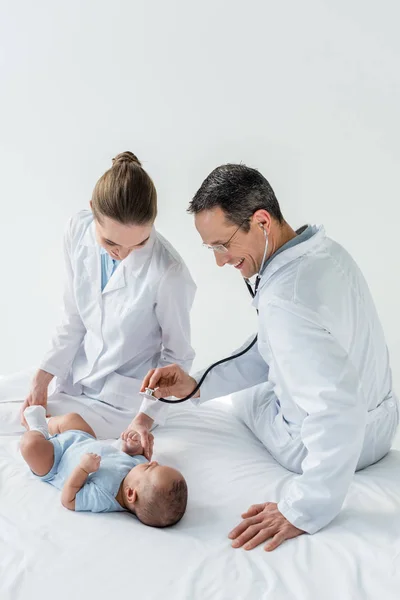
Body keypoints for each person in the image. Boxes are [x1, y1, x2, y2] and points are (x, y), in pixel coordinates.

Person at [133, 163, 398, 550]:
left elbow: (337, 410)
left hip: (325, 445)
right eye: (211, 249)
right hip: (383, 423)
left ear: (261, 221)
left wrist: (302, 509)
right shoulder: (326, 252)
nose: (220, 261)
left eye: (222, 245)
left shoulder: (285, 301)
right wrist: (195, 382)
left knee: (240, 400)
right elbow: (278, 344)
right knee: (254, 379)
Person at [21, 151, 196, 449]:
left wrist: (144, 419)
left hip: (123, 402)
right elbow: (74, 317)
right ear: (92, 211)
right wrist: (42, 377)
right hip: (76, 378)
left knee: (36, 434)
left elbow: (177, 358)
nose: (124, 254)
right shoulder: (77, 230)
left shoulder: (169, 272)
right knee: (17, 415)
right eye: (111, 243)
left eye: (139, 243)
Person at [20, 405, 187, 526]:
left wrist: (83, 469)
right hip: (82, 439)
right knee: (73, 418)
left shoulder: (104, 497)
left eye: (151, 468)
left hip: (55, 461)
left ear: (130, 493)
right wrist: (131, 447)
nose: (154, 462)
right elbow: (137, 456)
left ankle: (36, 427)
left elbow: (68, 499)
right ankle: (48, 420)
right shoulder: (136, 471)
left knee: (31, 447)